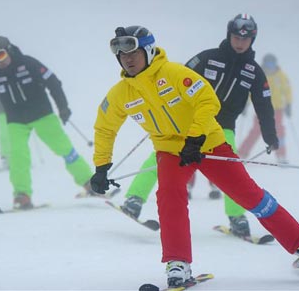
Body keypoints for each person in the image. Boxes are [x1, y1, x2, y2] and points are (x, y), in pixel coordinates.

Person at [90, 25, 299, 287]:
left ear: (148, 51)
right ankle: (178, 265)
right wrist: (102, 166)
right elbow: (105, 127)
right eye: (122, 55)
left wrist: (196, 137)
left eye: (134, 53)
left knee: (250, 196)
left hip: (208, 143)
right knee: (169, 197)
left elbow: (208, 101)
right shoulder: (120, 93)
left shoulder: (174, 73)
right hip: (171, 151)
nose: (127, 59)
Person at [119, 14, 279, 240]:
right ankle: (134, 198)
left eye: (246, 39)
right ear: (229, 35)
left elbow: (264, 104)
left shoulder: (254, 71)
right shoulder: (208, 58)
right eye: (236, 37)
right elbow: (173, 79)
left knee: (234, 171)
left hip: (223, 128)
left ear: (252, 40)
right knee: (163, 158)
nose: (240, 42)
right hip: (189, 122)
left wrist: (270, 135)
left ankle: (237, 218)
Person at [0, 36, 95, 209]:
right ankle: (22, 195)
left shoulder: (28, 63)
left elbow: (53, 82)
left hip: (42, 115)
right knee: (18, 156)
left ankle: (89, 183)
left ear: (8, 51)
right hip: (16, 120)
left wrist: (63, 107)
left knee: (64, 149)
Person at [239, 53, 292, 163]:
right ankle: (242, 153)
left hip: (277, 109)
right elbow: (250, 91)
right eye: (268, 64)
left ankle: (281, 155)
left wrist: (288, 104)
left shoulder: (280, 76)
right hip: (262, 109)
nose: (270, 67)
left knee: (279, 131)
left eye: (272, 64)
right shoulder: (260, 74)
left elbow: (287, 90)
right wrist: (246, 104)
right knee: (256, 131)